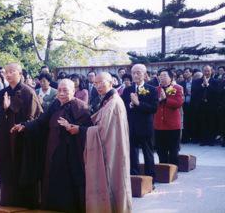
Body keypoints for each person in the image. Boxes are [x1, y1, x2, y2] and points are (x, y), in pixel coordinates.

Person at [12, 79, 91, 212]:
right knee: (51, 178)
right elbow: (41, 121)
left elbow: (88, 129)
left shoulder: (81, 108)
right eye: (59, 90)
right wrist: (24, 125)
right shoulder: (55, 104)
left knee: (67, 182)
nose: (61, 93)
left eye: (65, 90)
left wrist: (75, 128)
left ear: (73, 91)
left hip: (70, 152)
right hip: (52, 149)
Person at [59, 73, 132, 213]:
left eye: (101, 82)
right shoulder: (107, 100)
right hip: (110, 147)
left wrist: (79, 129)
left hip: (111, 149)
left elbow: (102, 130)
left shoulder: (114, 102)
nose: (97, 86)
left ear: (111, 83)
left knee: (112, 180)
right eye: (95, 83)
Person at [0, 63, 43, 208]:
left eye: (11, 72)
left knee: (24, 172)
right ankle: (7, 206)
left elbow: (36, 117)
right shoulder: (3, 93)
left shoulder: (28, 92)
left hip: (23, 142)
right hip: (6, 141)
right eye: (6, 72)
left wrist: (24, 126)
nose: (8, 75)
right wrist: (4, 108)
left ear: (20, 73)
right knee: (8, 175)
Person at [122, 64, 158, 184]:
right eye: (133, 73)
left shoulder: (152, 89)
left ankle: (150, 179)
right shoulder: (127, 90)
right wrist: (131, 104)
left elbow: (154, 108)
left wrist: (138, 103)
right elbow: (123, 108)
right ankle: (135, 179)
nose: (136, 75)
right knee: (132, 153)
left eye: (138, 72)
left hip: (145, 127)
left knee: (148, 154)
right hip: (131, 127)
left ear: (145, 74)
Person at [154, 69, 184, 166]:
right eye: (160, 76)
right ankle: (163, 169)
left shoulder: (176, 88)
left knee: (173, 150)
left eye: (164, 75)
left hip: (172, 125)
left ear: (171, 78)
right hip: (159, 125)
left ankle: (173, 170)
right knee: (160, 149)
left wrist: (165, 99)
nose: (162, 77)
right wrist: (159, 100)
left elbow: (178, 103)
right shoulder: (156, 89)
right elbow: (153, 104)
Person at [191, 65, 220, 146]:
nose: (207, 72)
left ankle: (211, 140)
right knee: (202, 122)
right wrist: (202, 85)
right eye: (205, 71)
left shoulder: (216, 81)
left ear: (211, 71)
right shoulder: (197, 81)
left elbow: (217, 93)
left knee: (211, 122)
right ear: (202, 71)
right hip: (200, 105)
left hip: (211, 105)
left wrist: (208, 85)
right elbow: (194, 92)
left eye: (208, 71)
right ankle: (203, 140)